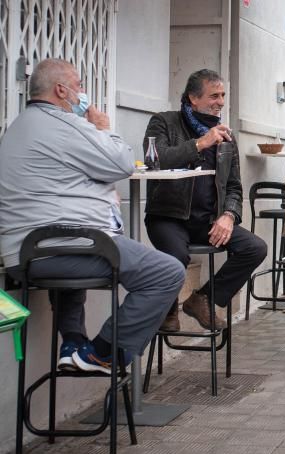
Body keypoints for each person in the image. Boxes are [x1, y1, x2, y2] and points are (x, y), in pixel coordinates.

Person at [0, 58, 185, 373]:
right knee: (167, 272)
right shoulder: (65, 125)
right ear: (61, 90)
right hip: (59, 248)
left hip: (26, 252)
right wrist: (103, 129)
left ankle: (72, 345)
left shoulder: (18, 127)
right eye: (79, 85)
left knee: (76, 256)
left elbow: (62, 181)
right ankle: (101, 352)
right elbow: (121, 163)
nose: (82, 93)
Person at [143, 69, 267, 332]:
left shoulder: (226, 138)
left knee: (254, 248)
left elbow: (234, 186)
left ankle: (203, 299)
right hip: (168, 217)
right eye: (214, 95)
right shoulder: (164, 122)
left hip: (206, 221)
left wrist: (228, 216)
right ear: (193, 98)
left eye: (222, 95)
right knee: (175, 257)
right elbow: (157, 160)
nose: (221, 102)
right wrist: (200, 143)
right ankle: (167, 310)